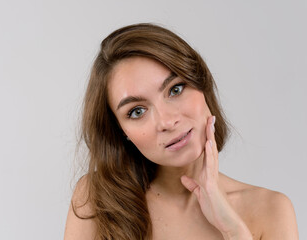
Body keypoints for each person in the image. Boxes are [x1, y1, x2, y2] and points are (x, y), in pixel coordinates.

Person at [64, 23, 298, 240]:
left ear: (201, 83)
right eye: (137, 111)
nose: (166, 121)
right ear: (120, 131)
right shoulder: (97, 199)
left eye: (175, 89)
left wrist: (233, 229)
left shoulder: (271, 210)